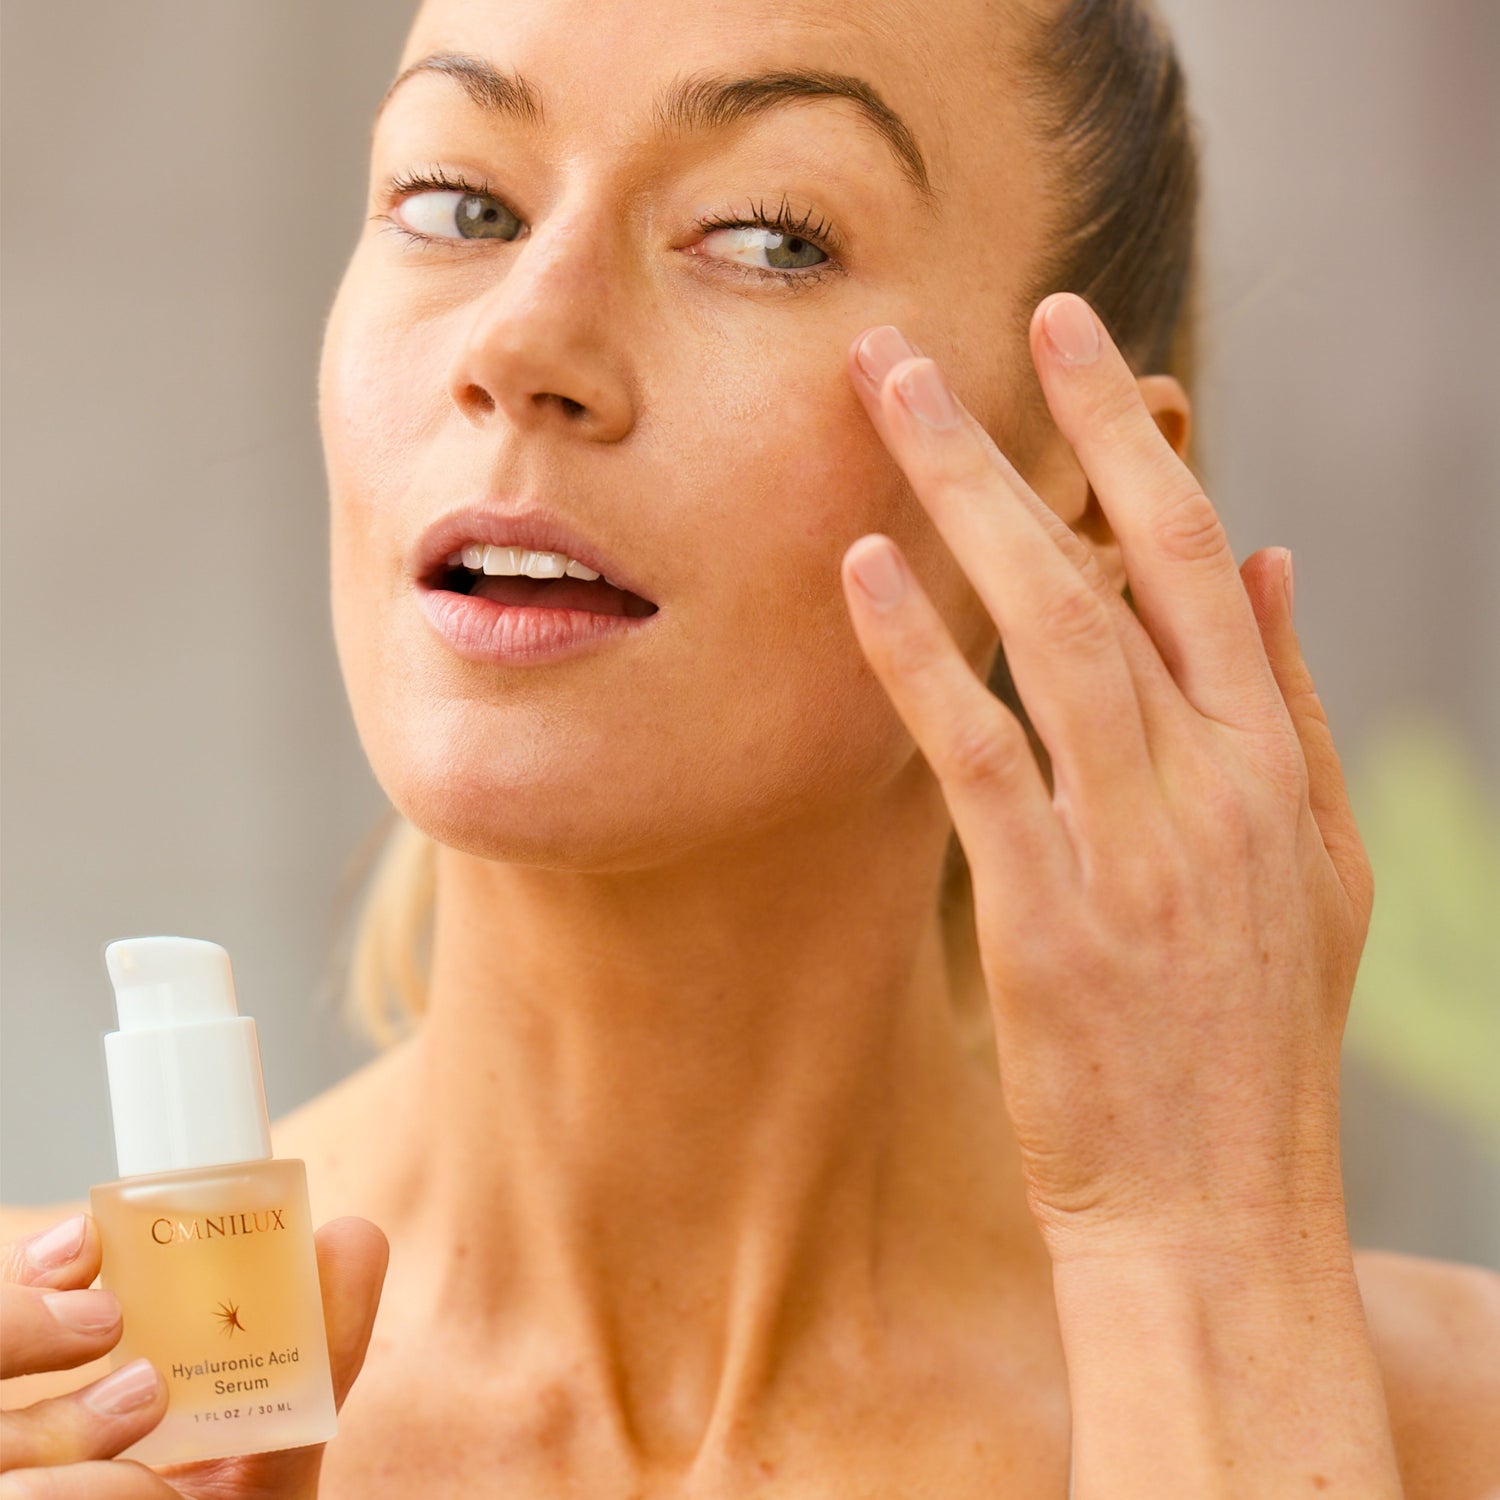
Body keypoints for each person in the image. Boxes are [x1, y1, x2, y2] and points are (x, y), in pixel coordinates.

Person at [3, 0, 1497, 1494]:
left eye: (770, 237)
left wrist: (1217, 1283)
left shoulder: (1448, 1427)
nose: (519, 340)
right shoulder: (51, 1401)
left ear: (1088, 496)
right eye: (460, 205)